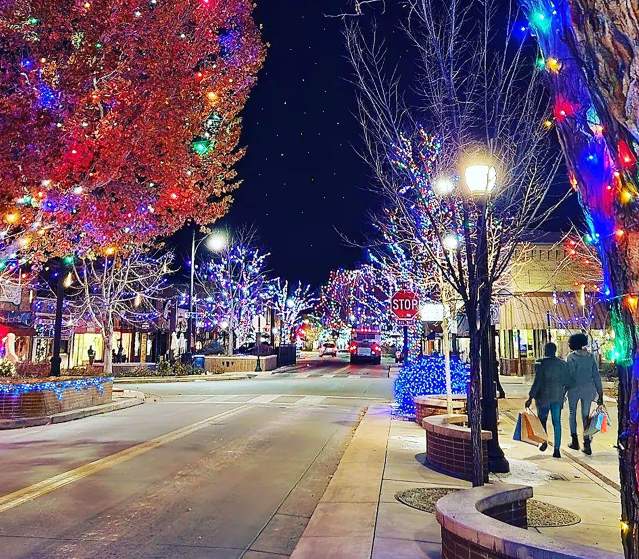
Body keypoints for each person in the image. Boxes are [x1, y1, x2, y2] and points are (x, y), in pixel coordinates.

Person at [525, 342, 571, 458]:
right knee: (557, 423)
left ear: (546, 351)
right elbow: (568, 382)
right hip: (557, 397)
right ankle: (556, 449)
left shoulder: (541, 364)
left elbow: (537, 382)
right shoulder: (562, 364)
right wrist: (563, 394)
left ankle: (544, 441)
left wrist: (530, 397)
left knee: (542, 421)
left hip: (543, 398)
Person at [566, 333, 603, 456]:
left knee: (572, 413)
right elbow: (596, 376)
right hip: (588, 389)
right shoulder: (591, 357)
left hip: (574, 389)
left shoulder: (571, 357)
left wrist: (563, 391)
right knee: (585, 416)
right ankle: (586, 443)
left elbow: (569, 375)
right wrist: (600, 393)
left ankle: (574, 440)